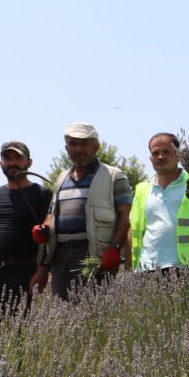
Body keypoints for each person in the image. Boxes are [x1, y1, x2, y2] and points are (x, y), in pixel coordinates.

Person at [32, 122, 134, 300]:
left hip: (95, 256)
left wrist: (114, 248)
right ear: (67, 148)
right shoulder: (61, 179)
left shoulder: (114, 176)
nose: (79, 149)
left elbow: (126, 216)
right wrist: (43, 228)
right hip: (61, 257)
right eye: (73, 144)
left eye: (84, 143)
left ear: (96, 146)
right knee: (63, 316)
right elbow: (52, 214)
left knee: (96, 316)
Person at [0, 141, 52, 313]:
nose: (12, 162)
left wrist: (43, 270)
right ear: (1, 163)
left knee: (19, 333)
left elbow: (49, 236)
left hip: (22, 274)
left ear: (29, 162)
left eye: (18, 157)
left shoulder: (43, 194)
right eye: (7, 158)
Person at [128, 132, 189, 275]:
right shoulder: (142, 189)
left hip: (187, 267)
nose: (160, 157)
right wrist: (129, 267)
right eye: (155, 153)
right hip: (146, 268)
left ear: (178, 155)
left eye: (166, 152)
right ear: (150, 158)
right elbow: (133, 231)